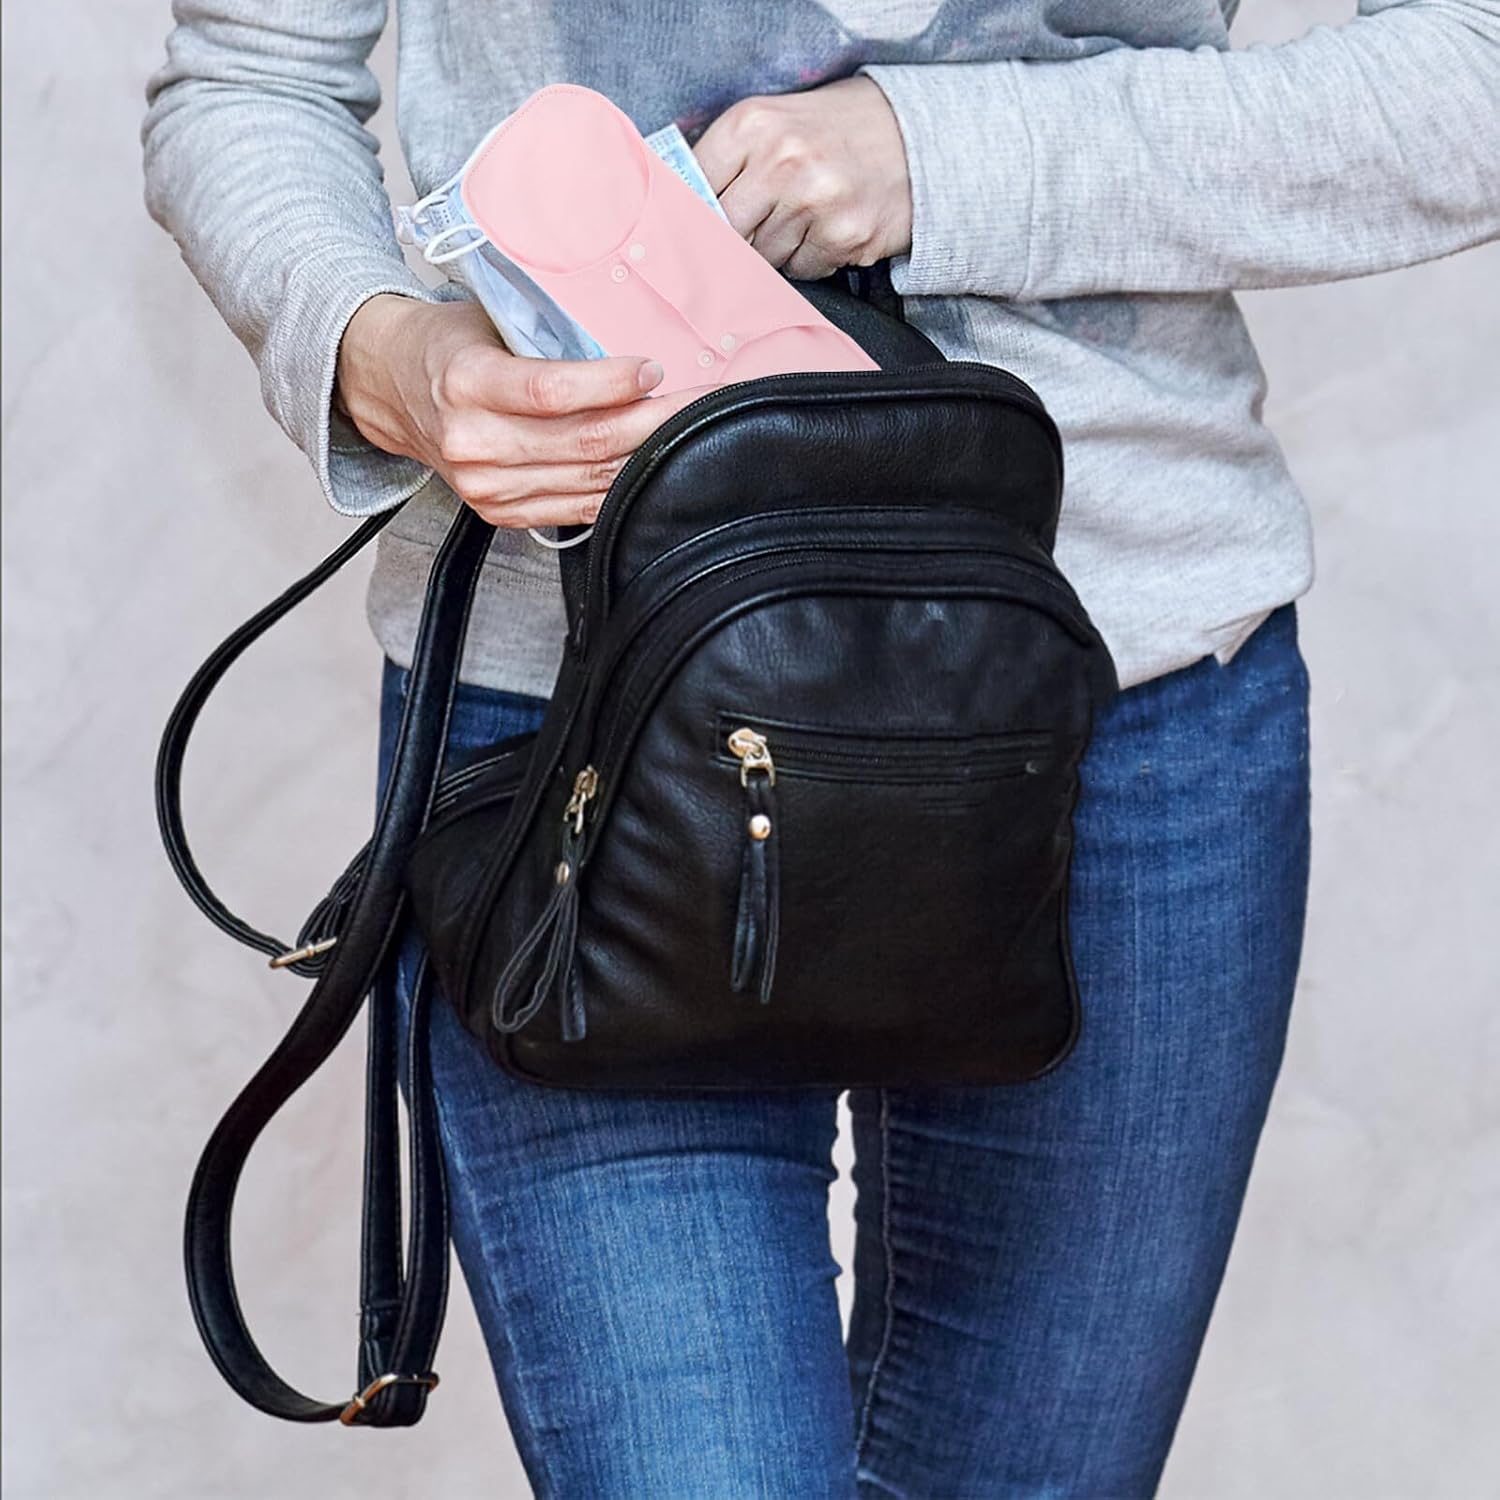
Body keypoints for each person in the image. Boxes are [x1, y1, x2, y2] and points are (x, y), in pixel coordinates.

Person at [141, 2, 1499, 1493]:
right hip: (577, 736)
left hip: (1124, 709)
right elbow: (251, 74)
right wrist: (380, 349)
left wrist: (941, 157)